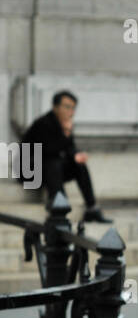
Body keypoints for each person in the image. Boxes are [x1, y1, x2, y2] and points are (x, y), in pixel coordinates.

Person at [20, 91, 112, 222]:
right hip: (30, 172)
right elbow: (48, 151)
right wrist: (66, 134)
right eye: (67, 107)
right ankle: (58, 207)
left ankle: (92, 208)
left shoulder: (64, 124)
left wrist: (76, 155)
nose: (71, 112)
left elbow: (69, 148)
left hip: (50, 170)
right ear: (55, 107)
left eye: (73, 108)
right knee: (53, 162)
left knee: (78, 164)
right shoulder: (43, 123)